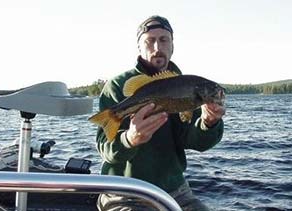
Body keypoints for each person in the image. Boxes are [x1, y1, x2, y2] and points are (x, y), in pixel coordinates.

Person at [95, 15, 226, 211]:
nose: (157, 47)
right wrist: (129, 139)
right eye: (150, 41)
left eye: (164, 40)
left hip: (175, 191)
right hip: (124, 192)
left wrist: (208, 123)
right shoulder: (117, 86)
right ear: (139, 47)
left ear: (172, 45)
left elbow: (194, 142)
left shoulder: (185, 85)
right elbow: (106, 149)